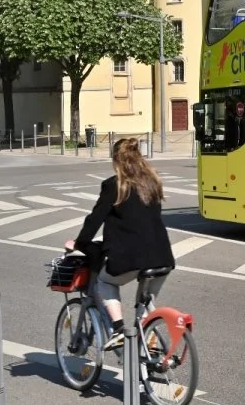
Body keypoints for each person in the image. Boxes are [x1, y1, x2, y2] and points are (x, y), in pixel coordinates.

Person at [64, 137, 175, 349]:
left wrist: (79, 243)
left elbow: (94, 220)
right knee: (145, 303)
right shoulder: (152, 182)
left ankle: (118, 330)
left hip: (132, 257)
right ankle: (149, 345)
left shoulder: (115, 185)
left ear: (116, 160)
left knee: (105, 282)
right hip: (162, 256)